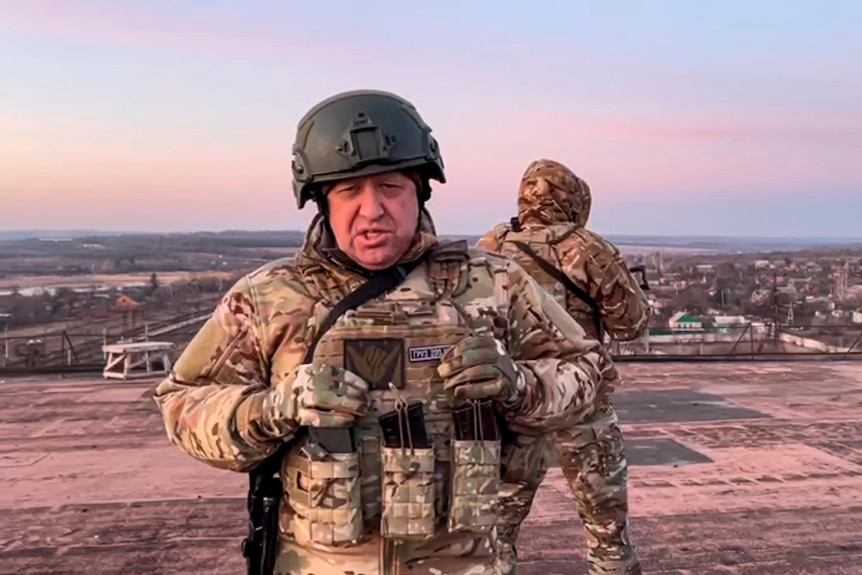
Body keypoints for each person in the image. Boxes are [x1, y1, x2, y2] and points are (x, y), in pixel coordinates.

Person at [152, 91, 621, 575]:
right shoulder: (270, 297)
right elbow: (182, 406)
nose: (373, 209)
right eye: (349, 191)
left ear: (420, 190)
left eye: (390, 188)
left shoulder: (492, 284)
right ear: (321, 202)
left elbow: (589, 373)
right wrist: (274, 408)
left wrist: (519, 385)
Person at [476, 159, 650, 575]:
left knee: (492, 543)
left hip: (513, 410)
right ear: (571, 198)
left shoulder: (492, 247)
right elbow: (631, 325)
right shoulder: (588, 248)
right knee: (608, 538)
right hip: (581, 408)